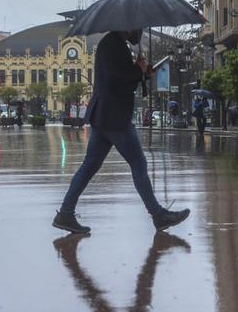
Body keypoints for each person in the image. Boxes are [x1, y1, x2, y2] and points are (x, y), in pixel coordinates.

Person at [53, 30, 190, 233]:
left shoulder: (116, 44)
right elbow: (114, 78)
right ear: (127, 26)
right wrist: (138, 70)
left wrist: (143, 71)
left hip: (106, 115)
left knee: (89, 166)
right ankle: (158, 215)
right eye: (138, 27)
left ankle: (65, 213)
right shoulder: (112, 45)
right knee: (138, 163)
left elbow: (121, 77)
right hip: (113, 116)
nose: (140, 32)